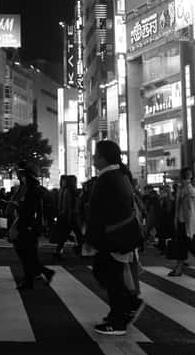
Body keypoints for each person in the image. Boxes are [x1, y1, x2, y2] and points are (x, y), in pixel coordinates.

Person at [88, 141, 143, 336]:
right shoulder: (118, 175)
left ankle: (120, 318)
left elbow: (103, 211)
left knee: (109, 274)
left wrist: (93, 236)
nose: (93, 158)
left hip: (113, 236)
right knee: (109, 273)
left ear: (103, 157)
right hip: (120, 235)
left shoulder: (109, 178)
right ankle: (120, 311)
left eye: (95, 154)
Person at [11, 161, 55, 289]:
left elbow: (29, 209)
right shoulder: (30, 187)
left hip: (28, 225)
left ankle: (34, 277)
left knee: (26, 253)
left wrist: (19, 210)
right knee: (28, 253)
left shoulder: (31, 189)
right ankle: (35, 277)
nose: (18, 176)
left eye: (20, 173)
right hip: (30, 224)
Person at [168, 167, 195, 276]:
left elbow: (189, 210)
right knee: (184, 245)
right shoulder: (187, 188)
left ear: (181, 176)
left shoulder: (187, 190)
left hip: (185, 222)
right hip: (185, 222)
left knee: (187, 245)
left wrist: (181, 222)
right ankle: (180, 268)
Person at [54, 175, 83, 258]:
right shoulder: (70, 192)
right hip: (70, 216)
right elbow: (69, 206)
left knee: (66, 234)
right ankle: (80, 249)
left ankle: (59, 250)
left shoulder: (64, 191)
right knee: (76, 234)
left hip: (66, 216)